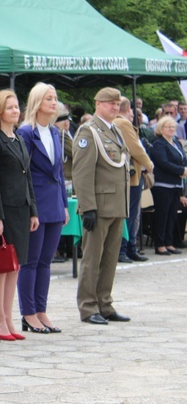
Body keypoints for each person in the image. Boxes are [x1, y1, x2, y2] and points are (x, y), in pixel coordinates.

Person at [72, 87, 131, 325]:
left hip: (116, 204)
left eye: (117, 104)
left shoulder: (114, 130)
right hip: (99, 204)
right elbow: (82, 173)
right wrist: (88, 207)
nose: (115, 108)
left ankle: (104, 303)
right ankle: (88, 307)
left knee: (109, 259)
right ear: (97, 104)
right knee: (92, 259)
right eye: (110, 104)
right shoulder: (89, 132)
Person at [0, 89, 38, 340]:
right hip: (5, 211)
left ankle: (8, 316)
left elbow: (27, 178)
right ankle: (0, 319)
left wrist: (33, 211)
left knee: (15, 267)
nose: (15, 111)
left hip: (22, 209)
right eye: (10, 107)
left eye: (17, 107)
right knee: (1, 268)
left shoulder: (18, 138)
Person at [16, 83, 68, 334]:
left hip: (55, 204)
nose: (53, 102)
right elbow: (22, 174)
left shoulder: (55, 133)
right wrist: (30, 209)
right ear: (37, 102)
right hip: (35, 204)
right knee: (30, 262)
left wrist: (64, 204)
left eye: (55, 98)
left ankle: (41, 310)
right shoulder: (26, 133)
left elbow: (58, 171)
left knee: (46, 261)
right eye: (49, 98)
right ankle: (28, 313)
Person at [113, 97, 153, 263]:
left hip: (132, 176)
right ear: (128, 108)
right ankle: (125, 249)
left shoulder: (118, 122)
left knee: (132, 214)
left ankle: (129, 248)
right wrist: (149, 164)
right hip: (132, 177)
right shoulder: (122, 123)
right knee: (129, 214)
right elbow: (135, 147)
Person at [150, 116, 187, 256]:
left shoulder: (176, 142)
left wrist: (184, 169)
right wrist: (181, 171)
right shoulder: (159, 144)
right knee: (162, 215)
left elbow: (182, 159)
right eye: (168, 127)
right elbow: (163, 163)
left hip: (176, 185)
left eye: (173, 127)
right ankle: (160, 244)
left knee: (172, 215)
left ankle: (169, 242)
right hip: (163, 185)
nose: (171, 129)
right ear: (161, 129)